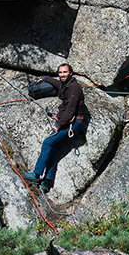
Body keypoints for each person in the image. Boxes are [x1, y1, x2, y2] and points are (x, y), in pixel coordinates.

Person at [22, 63, 88, 192]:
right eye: (60, 72)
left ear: (71, 73)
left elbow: (70, 110)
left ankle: (36, 174)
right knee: (54, 148)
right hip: (70, 119)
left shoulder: (74, 88)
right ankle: (46, 182)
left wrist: (59, 124)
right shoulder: (66, 84)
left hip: (75, 122)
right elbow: (57, 84)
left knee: (48, 143)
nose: (62, 75)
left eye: (65, 72)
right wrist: (46, 78)